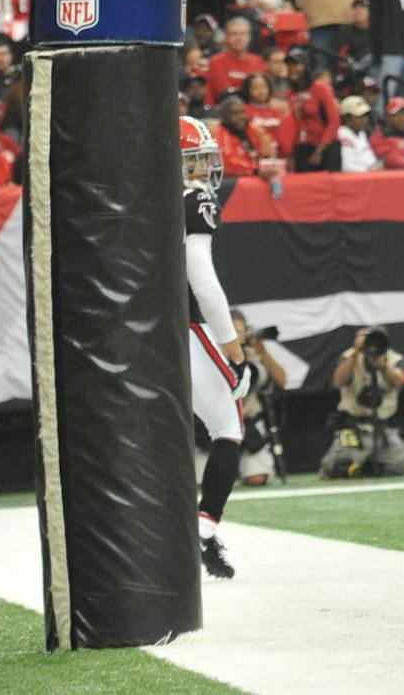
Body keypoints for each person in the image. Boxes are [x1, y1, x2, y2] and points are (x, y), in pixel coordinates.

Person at [180, 115, 246, 579]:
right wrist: (235, 351)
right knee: (228, 426)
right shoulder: (193, 199)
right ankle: (202, 533)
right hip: (185, 324)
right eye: (194, 160)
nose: (204, 169)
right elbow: (202, 281)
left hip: (141, 325)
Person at [319, 326, 404, 479]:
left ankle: (369, 467)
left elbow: (398, 381)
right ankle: (358, 466)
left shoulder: (395, 359)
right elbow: (338, 381)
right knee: (334, 466)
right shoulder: (350, 357)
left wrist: (383, 366)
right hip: (354, 427)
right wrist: (356, 352)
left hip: (383, 428)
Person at [231, 311, 288, 485]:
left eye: (242, 331)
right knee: (202, 481)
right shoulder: (213, 351)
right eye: (234, 331)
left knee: (256, 478)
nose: (240, 336)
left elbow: (282, 380)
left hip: (250, 423)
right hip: (215, 424)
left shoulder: (255, 354)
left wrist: (262, 352)